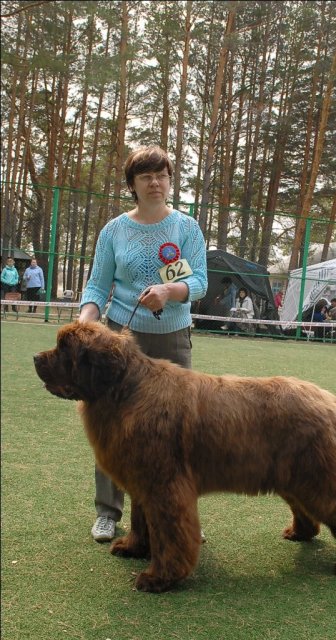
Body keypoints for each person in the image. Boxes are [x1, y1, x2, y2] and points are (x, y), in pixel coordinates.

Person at [78, 145, 208, 543]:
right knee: (112, 425)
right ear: (132, 185)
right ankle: (108, 512)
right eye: (146, 176)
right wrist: (86, 322)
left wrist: (170, 290)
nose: (156, 182)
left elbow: (199, 282)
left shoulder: (185, 228)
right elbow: (98, 286)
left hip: (173, 337)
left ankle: (179, 514)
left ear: (170, 180)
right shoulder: (114, 230)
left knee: (179, 432)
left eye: (162, 175)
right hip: (122, 342)